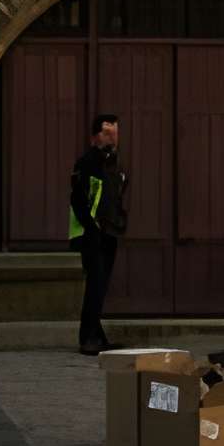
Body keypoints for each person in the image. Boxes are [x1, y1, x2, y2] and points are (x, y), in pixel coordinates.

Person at [69, 112, 128, 357]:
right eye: (106, 132)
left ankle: (97, 335)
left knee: (101, 286)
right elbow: (78, 200)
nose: (112, 137)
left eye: (115, 132)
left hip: (110, 232)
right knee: (95, 284)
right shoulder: (88, 162)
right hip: (91, 233)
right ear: (94, 137)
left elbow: (115, 197)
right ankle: (88, 338)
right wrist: (92, 228)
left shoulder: (115, 163)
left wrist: (120, 221)